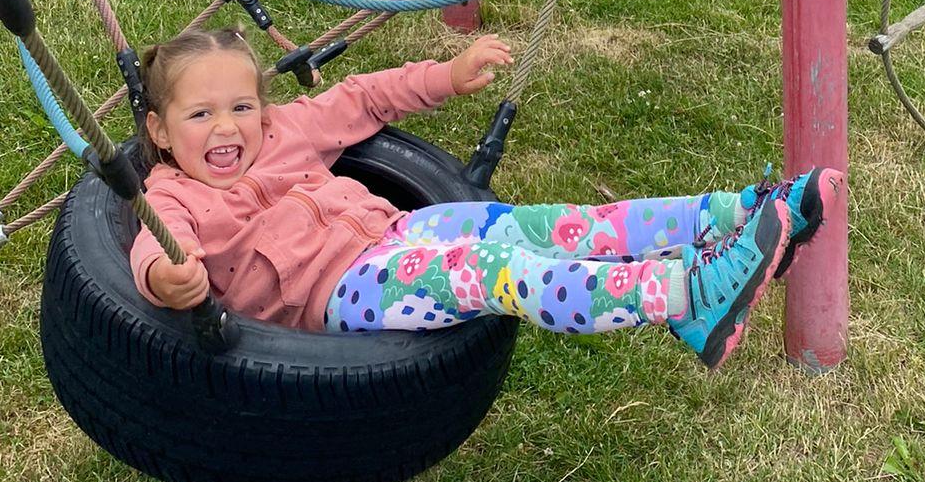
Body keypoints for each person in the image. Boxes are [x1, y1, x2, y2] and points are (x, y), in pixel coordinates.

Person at [128, 27, 841, 371]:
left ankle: (734, 214)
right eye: (200, 116)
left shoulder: (284, 130)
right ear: (159, 131)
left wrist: (445, 75)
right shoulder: (173, 195)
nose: (228, 129)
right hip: (340, 293)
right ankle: (690, 295)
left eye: (242, 107)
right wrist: (168, 277)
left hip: (394, 232)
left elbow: (363, 97)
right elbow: (154, 251)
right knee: (497, 270)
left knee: (550, 226)